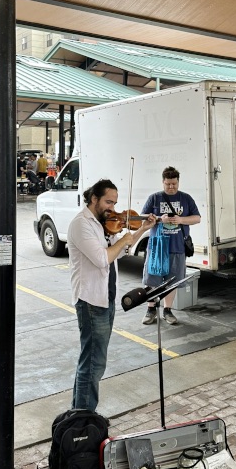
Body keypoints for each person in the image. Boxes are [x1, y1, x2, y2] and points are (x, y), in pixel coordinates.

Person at [67, 179, 156, 412]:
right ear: (93, 198)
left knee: (92, 360)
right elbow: (102, 258)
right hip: (91, 300)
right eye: (108, 202)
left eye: (115, 203)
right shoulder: (81, 224)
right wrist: (124, 239)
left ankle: (80, 412)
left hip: (106, 298)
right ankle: (85, 418)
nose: (112, 209)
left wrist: (142, 229)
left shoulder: (103, 224)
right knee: (94, 363)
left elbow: (122, 249)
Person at [140, 167, 201, 326]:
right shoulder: (154, 198)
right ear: (163, 182)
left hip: (177, 247)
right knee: (152, 280)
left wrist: (181, 220)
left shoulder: (186, 198)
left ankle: (167, 310)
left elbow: (197, 218)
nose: (171, 187)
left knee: (172, 282)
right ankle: (151, 309)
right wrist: (161, 219)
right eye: (168, 184)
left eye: (174, 184)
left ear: (178, 182)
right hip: (157, 247)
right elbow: (142, 218)